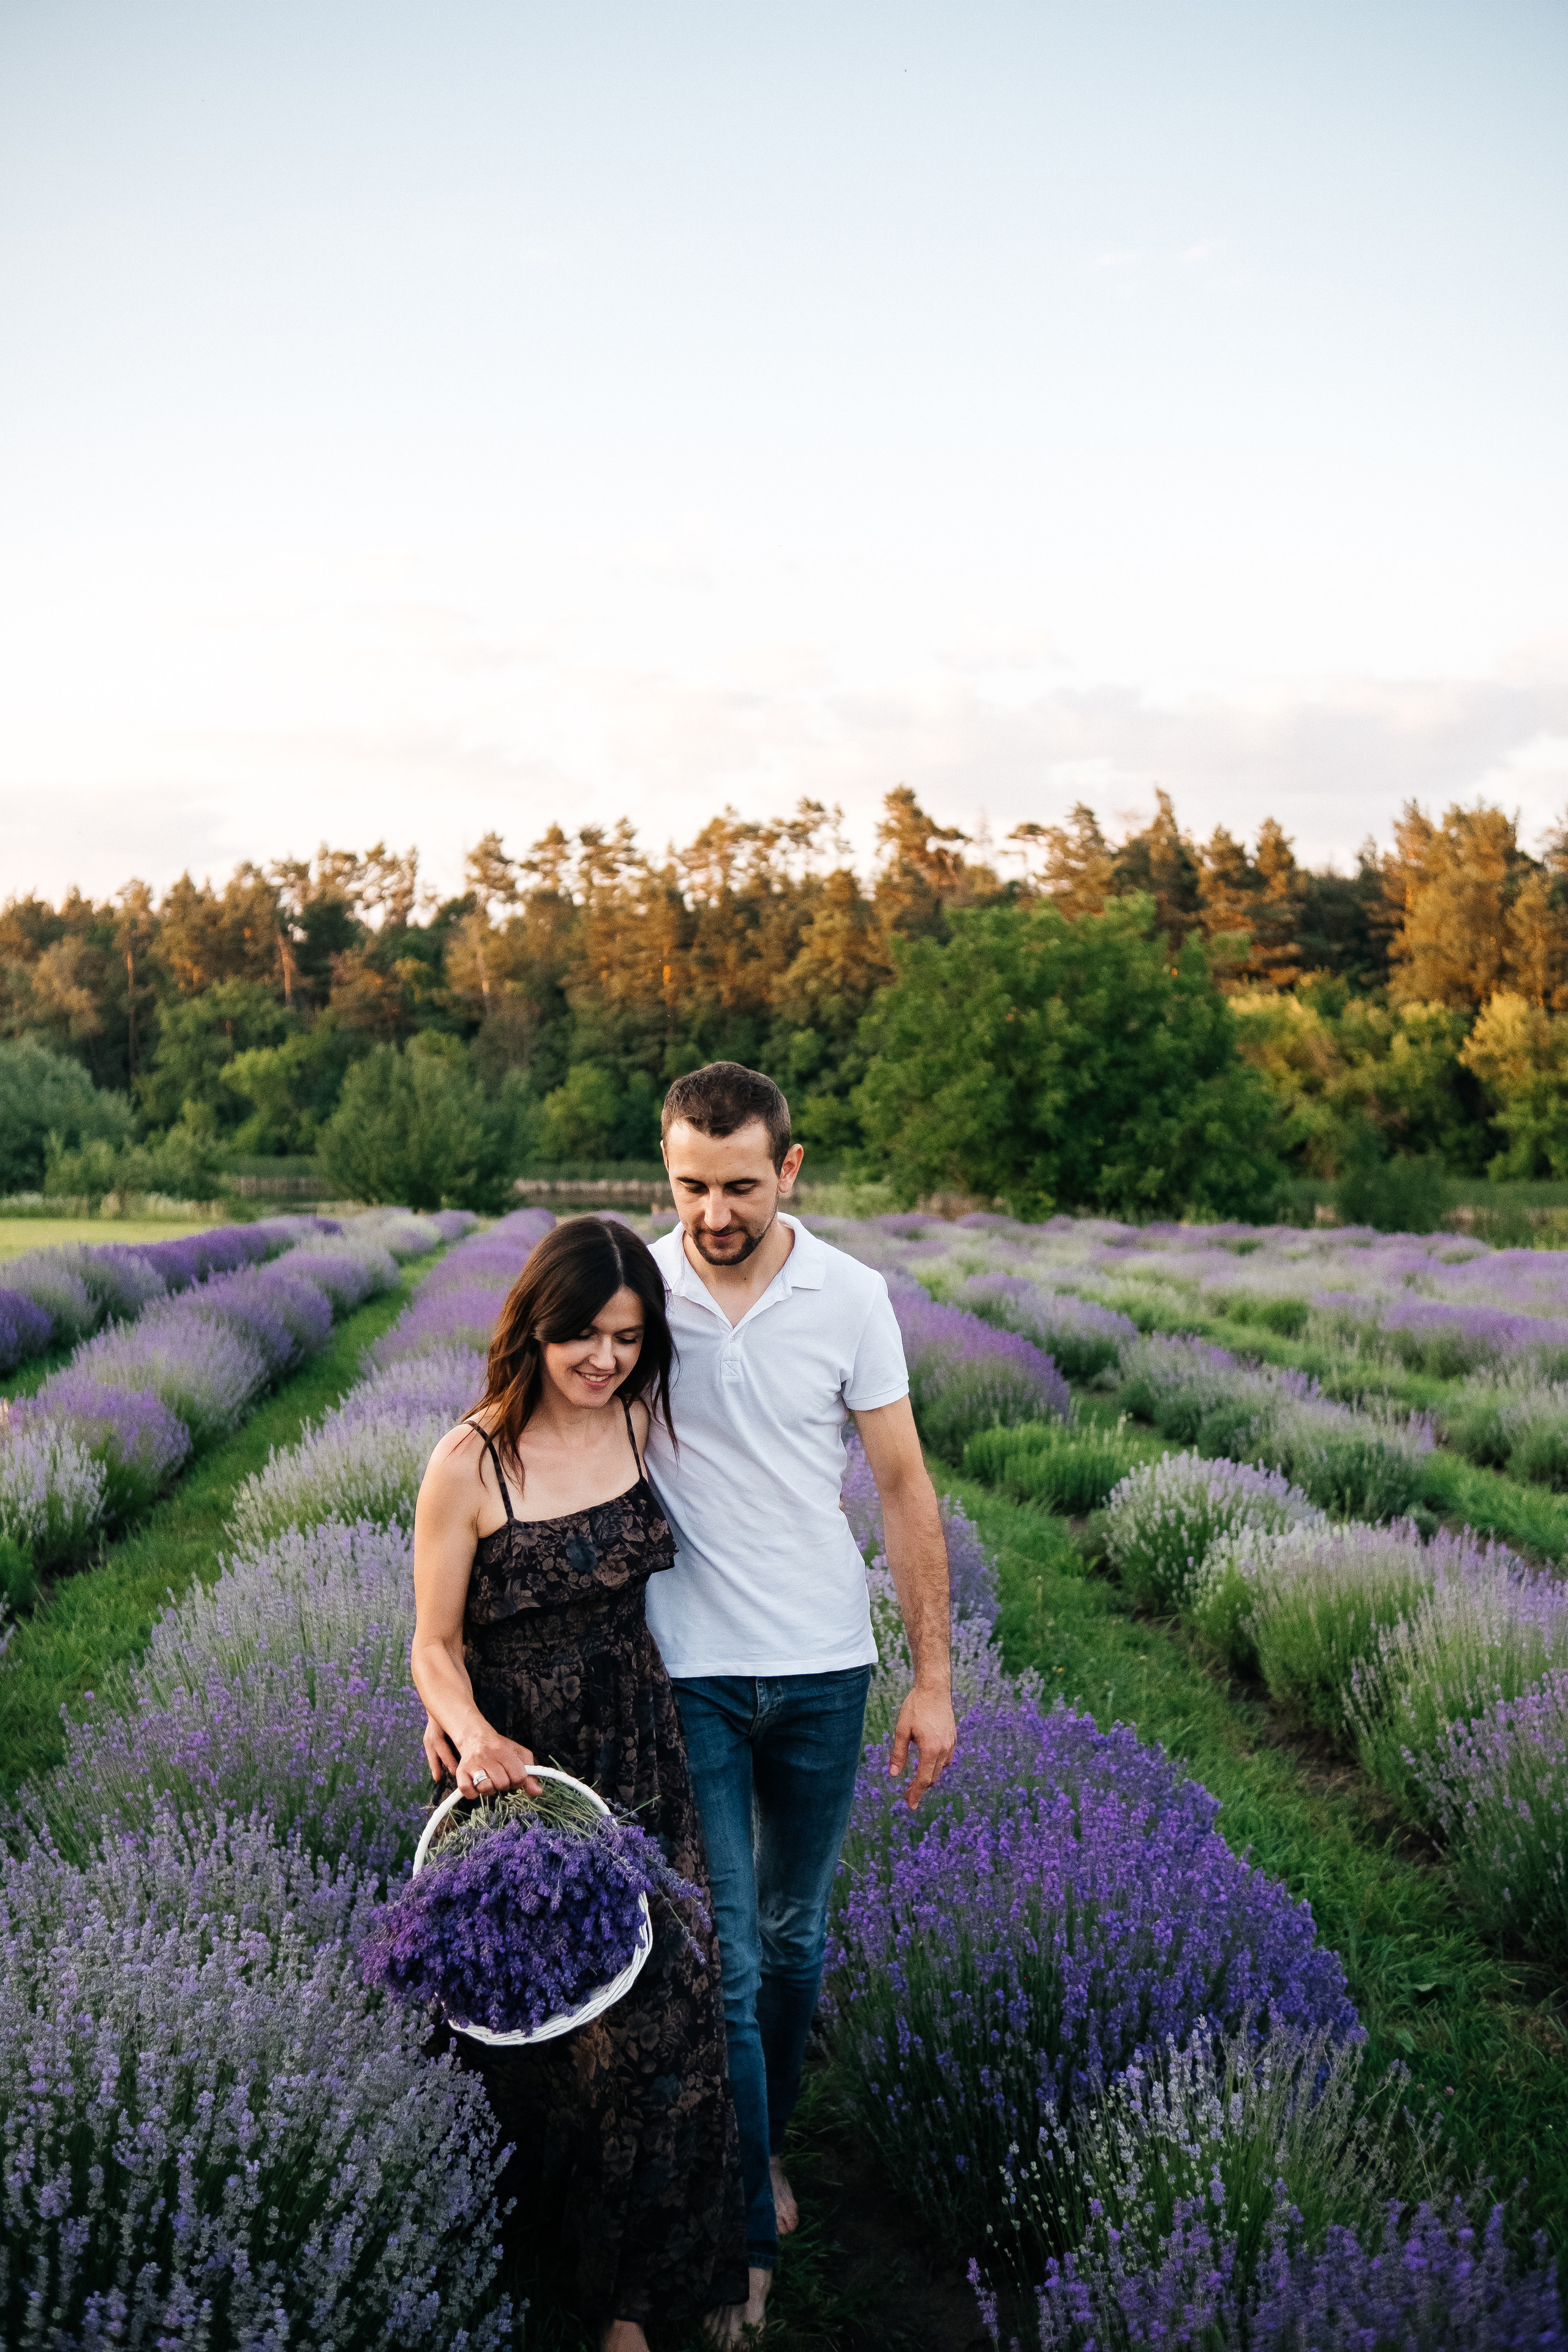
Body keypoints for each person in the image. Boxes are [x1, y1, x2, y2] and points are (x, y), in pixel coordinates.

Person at [643, 1061, 957, 2328]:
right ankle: (739, 2229)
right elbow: (521, 1418)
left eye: (735, 1185)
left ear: (789, 1167)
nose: (710, 1213)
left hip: (825, 1665)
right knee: (718, 1953)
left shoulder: (852, 1297)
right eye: (686, 1186)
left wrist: (931, 1678)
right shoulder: (635, 1285)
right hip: (689, 1669)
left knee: (789, 1936)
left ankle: (758, 2138)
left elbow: (900, 1488)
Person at [412, 1216, 749, 2352]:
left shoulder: (643, 1426)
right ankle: (537, 2272)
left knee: (671, 2015)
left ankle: (633, 2310)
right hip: (526, 1785)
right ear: (535, 1330)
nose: (603, 1358)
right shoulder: (473, 1459)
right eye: (581, 1338)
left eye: (626, 1335)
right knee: (543, 2036)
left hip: (644, 1755)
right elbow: (432, 1645)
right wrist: (465, 1732)